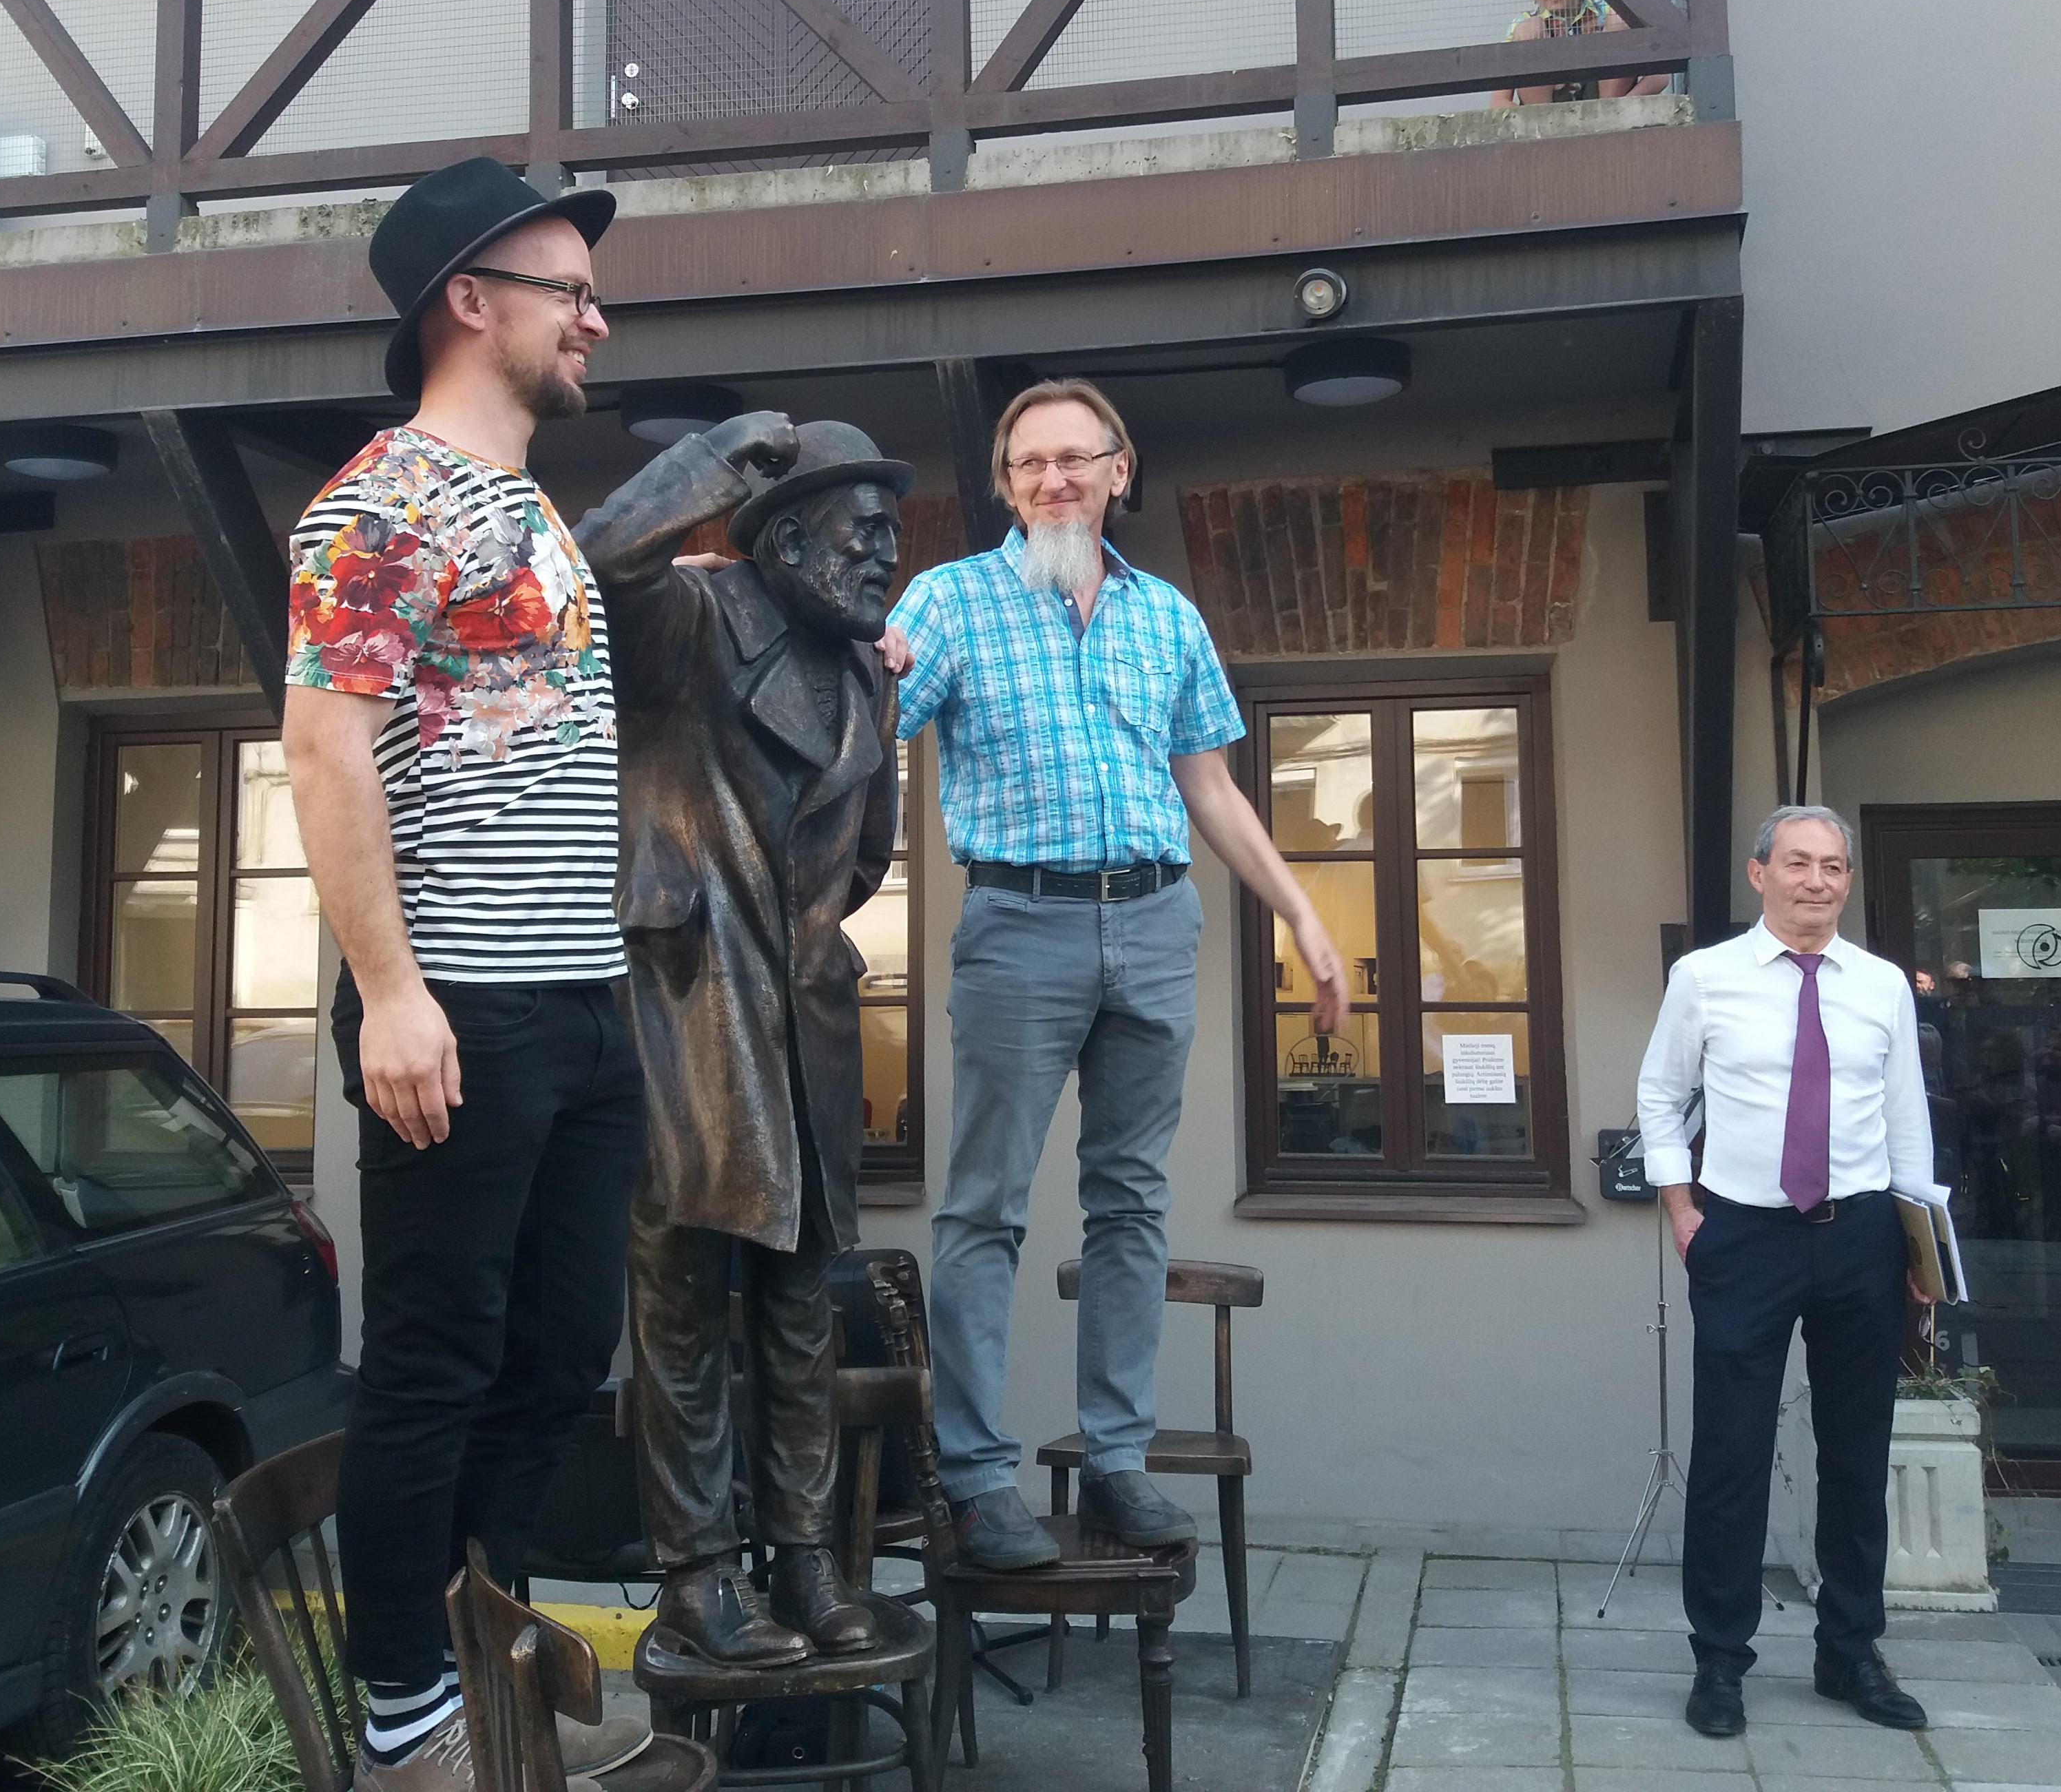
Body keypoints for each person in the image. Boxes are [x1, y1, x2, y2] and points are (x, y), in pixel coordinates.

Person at [282, 156, 651, 1791]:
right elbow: (323, 748)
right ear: (468, 298)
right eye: (570, 289)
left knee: (562, 1353)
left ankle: (482, 1658)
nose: (596, 317)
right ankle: (405, 1726)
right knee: (435, 1362)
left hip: (579, 1001)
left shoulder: (530, 511)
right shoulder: (379, 503)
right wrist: (392, 991)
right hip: (460, 1001)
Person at [876, 377, 1349, 1570]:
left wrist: (1299, 911)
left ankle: (1117, 1459)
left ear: (1117, 471)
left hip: (1153, 919)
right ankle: (977, 1478)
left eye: (1073, 459)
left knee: (1131, 1200)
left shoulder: (1166, 617)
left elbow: (1210, 789)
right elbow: (864, 726)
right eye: (1028, 464)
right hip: (1018, 923)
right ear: (1005, 485)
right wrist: (853, 660)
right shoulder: (950, 601)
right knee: (984, 1205)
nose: (1052, 481)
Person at [574, 414, 909, 1666]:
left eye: (892, 533)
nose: (884, 553)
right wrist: (717, 460)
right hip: (688, 992)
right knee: (681, 1296)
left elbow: (865, 853)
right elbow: (599, 559)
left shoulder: (870, 670)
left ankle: (805, 1559)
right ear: (784, 539)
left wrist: (804, 938)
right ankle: (699, 1573)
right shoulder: (694, 621)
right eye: (860, 531)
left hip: (804, 1003)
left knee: (801, 1295)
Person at [1633, 805, 1938, 1742]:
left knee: (1856, 1452)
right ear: (1760, 873)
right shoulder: (1705, 977)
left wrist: (1919, 1245)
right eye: (1799, 863)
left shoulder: (1881, 985)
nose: (1818, 881)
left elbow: (1906, 1115)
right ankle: (1720, 1660)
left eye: (1834, 866)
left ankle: (1850, 1651)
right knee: (1730, 1453)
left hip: (1862, 1238)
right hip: (1745, 1239)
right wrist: (1682, 1208)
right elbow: (1660, 1093)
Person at [1491, 0, 1672, 107]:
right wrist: (1524, 120)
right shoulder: (1522, 24)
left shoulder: (1606, 11)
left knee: (1620, 19)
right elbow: (1499, 100)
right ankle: (1542, 116)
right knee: (1527, 30)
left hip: (1607, 106)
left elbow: (1659, 77)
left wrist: (1622, 106)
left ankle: (1608, 111)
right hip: (1548, 114)